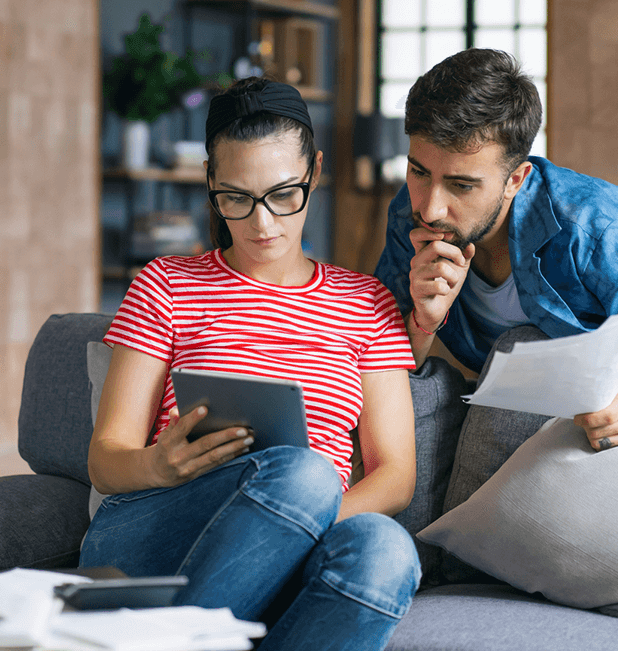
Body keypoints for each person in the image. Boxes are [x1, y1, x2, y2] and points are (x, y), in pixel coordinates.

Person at [80, 78, 421, 651]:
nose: (262, 224)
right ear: (212, 182)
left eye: (283, 194)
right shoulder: (166, 284)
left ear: (314, 171)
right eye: (236, 197)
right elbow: (105, 460)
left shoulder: (367, 302)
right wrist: (160, 466)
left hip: (303, 537)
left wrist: (299, 520)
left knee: (386, 550)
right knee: (308, 471)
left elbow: (395, 477)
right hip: (157, 528)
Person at [373, 48, 618, 453]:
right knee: (410, 392)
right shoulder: (410, 213)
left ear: (516, 180)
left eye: (462, 185)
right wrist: (423, 322)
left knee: (524, 344)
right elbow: (379, 359)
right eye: (419, 171)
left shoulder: (593, 224)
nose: (431, 207)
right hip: (509, 405)